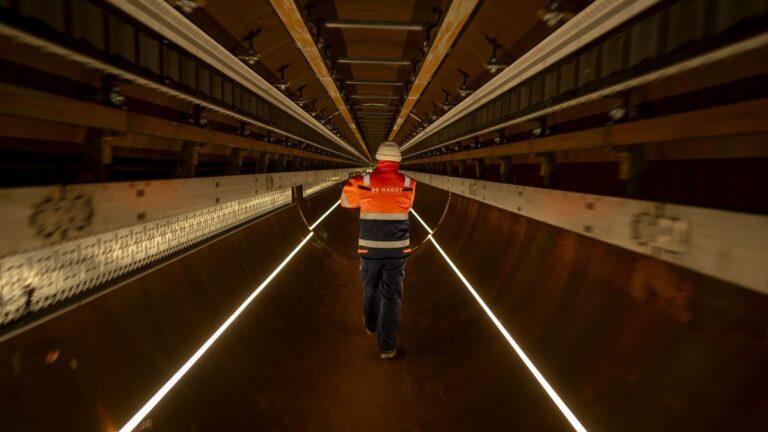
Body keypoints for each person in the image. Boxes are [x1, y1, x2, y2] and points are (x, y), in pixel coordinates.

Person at [340, 141, 416, 359]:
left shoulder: (363, 181)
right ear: (398, 161)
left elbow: (345, 202)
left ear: (377, 159)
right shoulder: (409, 183)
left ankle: (371, 324)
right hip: (397, 249)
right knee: (392, 296)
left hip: (369, 248)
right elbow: (407, 205)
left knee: (370, 289)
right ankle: (387, 347)